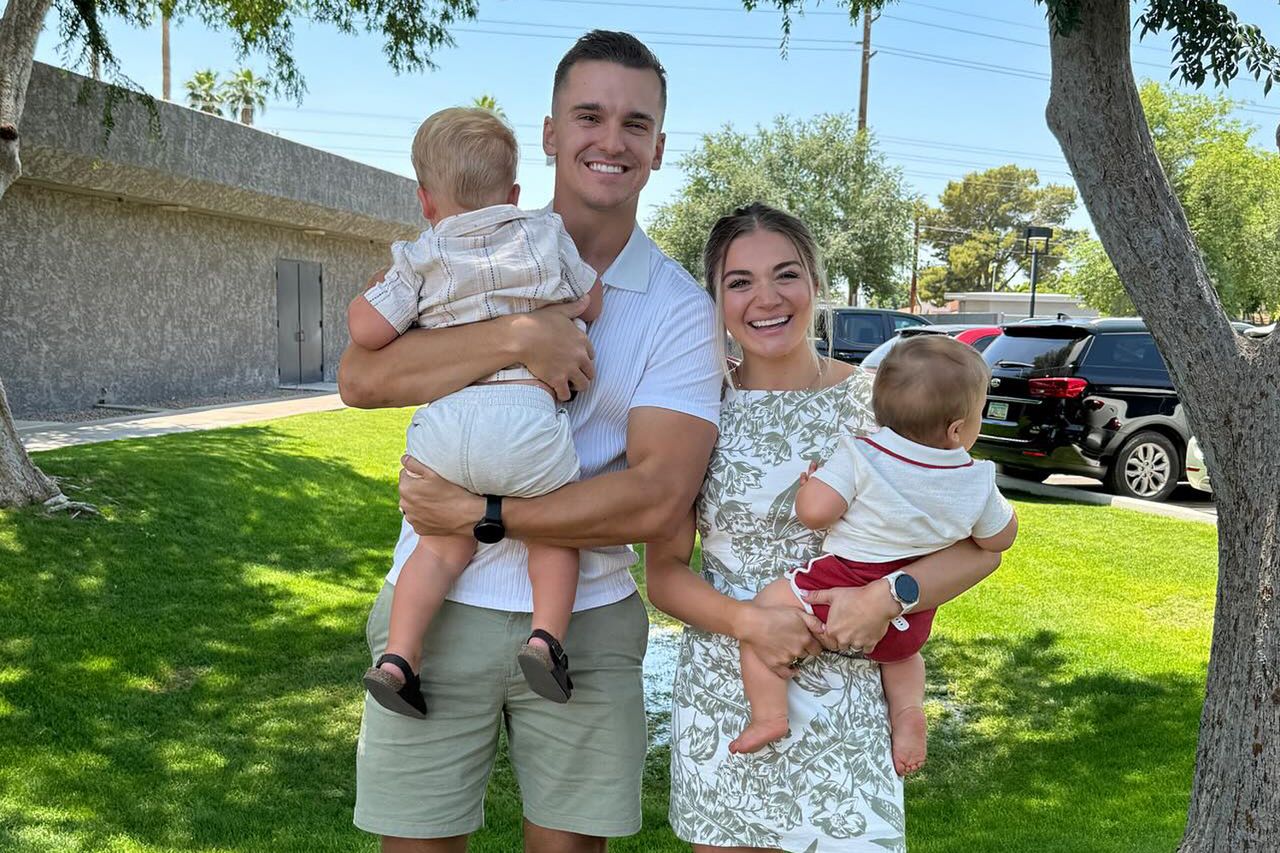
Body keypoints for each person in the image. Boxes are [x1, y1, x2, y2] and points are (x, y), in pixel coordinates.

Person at [339, 30, 723, 853]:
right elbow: (360, 378)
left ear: (659, 146)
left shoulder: (680, 308)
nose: (610, 140)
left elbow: (659, 496)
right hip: (436, 614)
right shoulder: (466, 244)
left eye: (635, 123)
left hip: (583, 617)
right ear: (549, 132)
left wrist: (483, 512)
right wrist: (520, 335)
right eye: (588, 115)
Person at [645, 202, 1005, 853]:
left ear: (816, 279)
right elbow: (664, 574)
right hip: (731, 690)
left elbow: (980, 548)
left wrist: (886, 596)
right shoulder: (696, 407)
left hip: (852, 692)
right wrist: (751, 622)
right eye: (739, 281)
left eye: (785, 274)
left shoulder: (883, 404)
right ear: (716, 298)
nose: (766, 298)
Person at [349, 106, 604, 717]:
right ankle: (546, 640)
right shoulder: (544, 234)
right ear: (515, 193)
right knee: (555, 533)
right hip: (525, 421)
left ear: (426, 199)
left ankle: (399, 659)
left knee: (436, 547)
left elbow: (365, 328)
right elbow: (589, 301)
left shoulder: (420, 255)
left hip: (447, 429)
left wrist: (387, 290)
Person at [733, 334, 1019, 771]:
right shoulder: (976, 478)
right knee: (903, 660)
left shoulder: (861, 454)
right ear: (957, 429)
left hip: (836, 587)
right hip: (911, 614)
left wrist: (812, 486)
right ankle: (907, 714)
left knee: (762, 612)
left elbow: (814, 514)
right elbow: (997, 541)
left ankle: (769, 714)